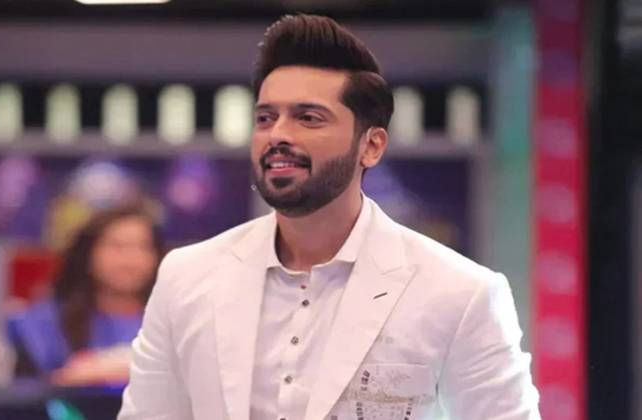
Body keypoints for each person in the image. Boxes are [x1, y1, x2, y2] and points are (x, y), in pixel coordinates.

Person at [119, 14, 540, 420]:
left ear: (371, 146)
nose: (278, 134)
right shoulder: (187, 277)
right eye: (266, 118)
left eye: (308, 118)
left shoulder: (460, 293)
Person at [9, 204, 161, 386]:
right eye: (117, 246)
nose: (130, 259)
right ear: (88, 254)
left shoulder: (171, 320)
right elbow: (31, 390)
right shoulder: (44, 321)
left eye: (143, 247)